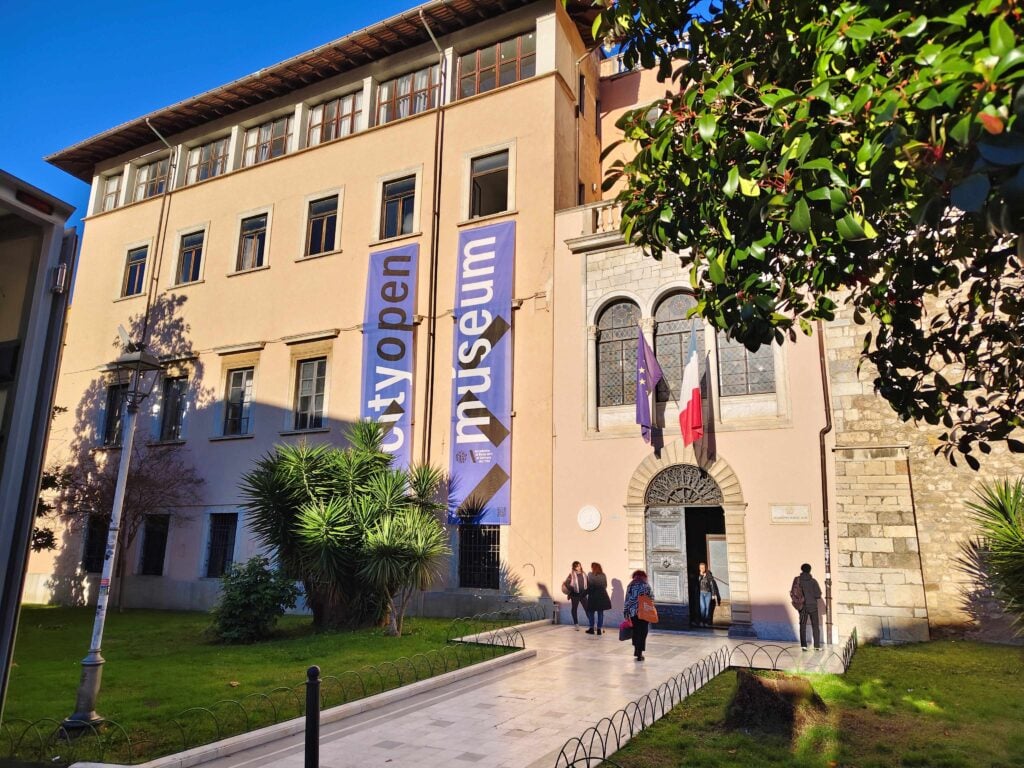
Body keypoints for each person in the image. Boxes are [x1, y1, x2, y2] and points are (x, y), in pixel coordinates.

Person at [623, 569, 653, 660]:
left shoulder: (630, 585)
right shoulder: (646, 586)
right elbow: (652, 598)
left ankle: (636, 649)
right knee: (643, 632)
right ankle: (639, 653)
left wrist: (625, 613)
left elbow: (627, 600)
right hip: (644, 612)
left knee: (635, 631)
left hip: (633, 613)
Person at [793, 563, 823, 650]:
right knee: (815, 626)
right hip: (813, 606)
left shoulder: (797, 580)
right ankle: (817, 646)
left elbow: (794, 592)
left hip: (802, 606)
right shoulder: (813, 581)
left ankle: (803, 645)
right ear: (810, 570)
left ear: (801, 569)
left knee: (802, 625)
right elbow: (818, 594)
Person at [585, 562, 612, 635]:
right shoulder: (603, 575)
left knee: (591, 612)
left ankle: (591, 628)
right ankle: (599, 629)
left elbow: (590, 585)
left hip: (593, 595)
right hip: (602, 595)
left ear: (593, 568)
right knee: (600, 613)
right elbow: (605, 585)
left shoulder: (590, 574)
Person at [564, 561, 589, 630]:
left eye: (580, 565)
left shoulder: (584, 574)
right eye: (577, 566)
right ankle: (576, 624)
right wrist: (572, 589)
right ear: (574, 567)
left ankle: (592, 623)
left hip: (583, 594)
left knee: (587, 609)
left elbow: (588, 583)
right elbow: (566, 583)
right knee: (574, 609)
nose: (579, 567)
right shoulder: (571, 575)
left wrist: (587, 592)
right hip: (574, 595)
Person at [696, 561, 721, 628]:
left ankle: (706, 622)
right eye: (700, 567)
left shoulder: (709, 575)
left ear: (705, 568)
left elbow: (712, 585)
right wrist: (701, 576)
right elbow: (697, 584)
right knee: (703, 607)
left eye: (703, 567)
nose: (702, 569)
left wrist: (713, 594)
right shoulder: (698, 575)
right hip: (701, 593)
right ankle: (701, 621)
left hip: (708, 593)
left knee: (707, 608)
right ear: (699, 568)